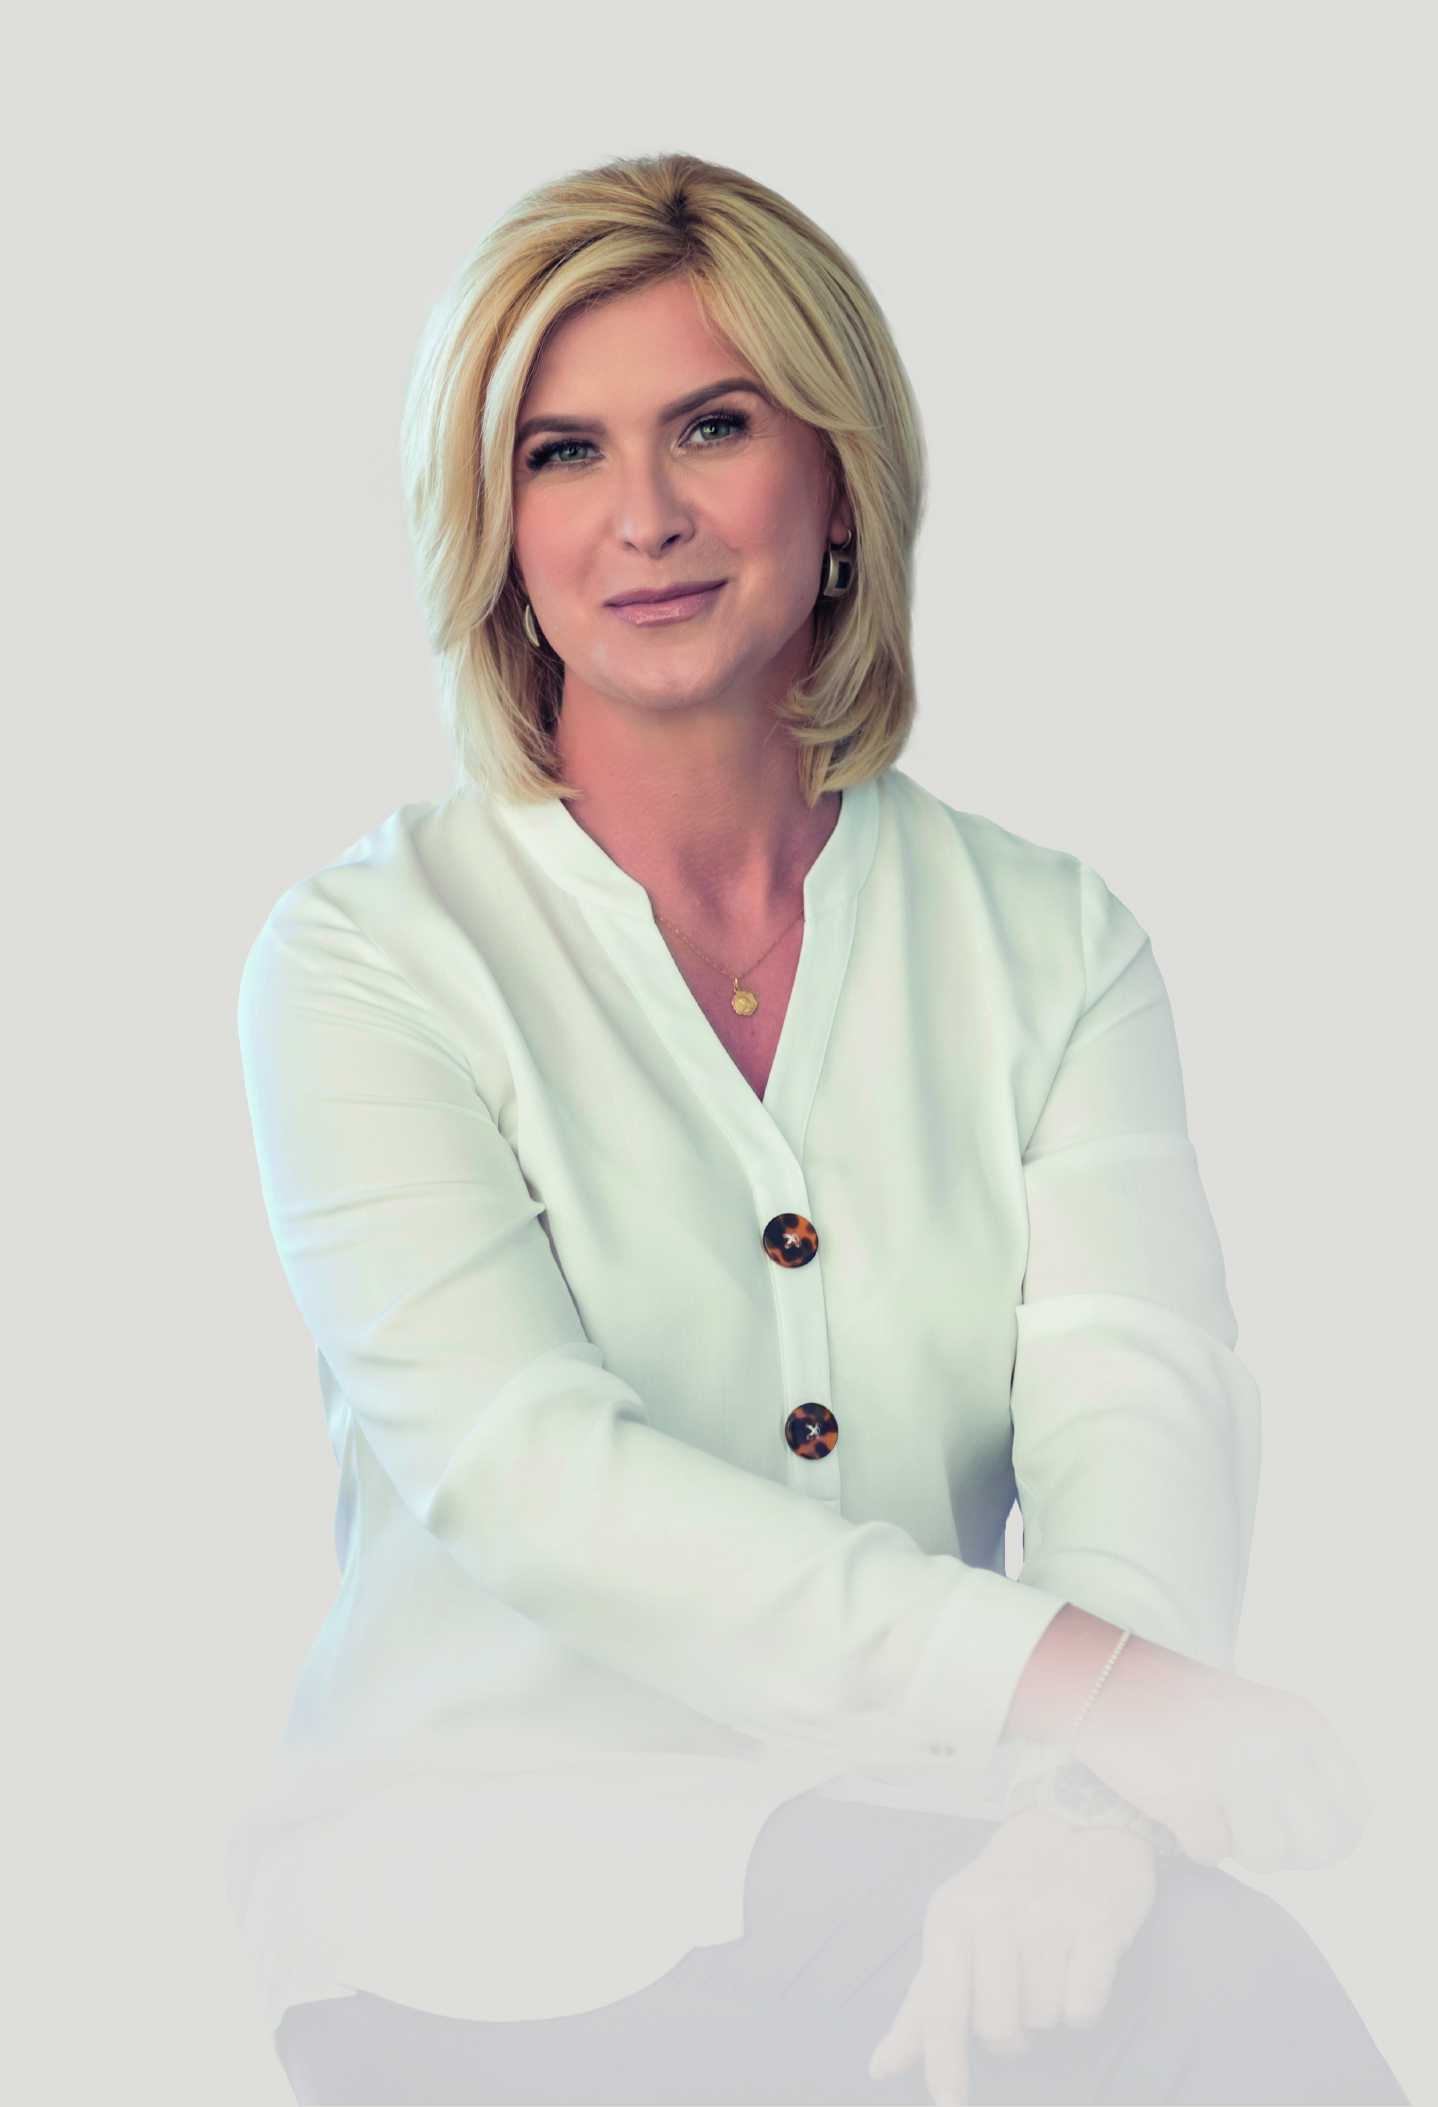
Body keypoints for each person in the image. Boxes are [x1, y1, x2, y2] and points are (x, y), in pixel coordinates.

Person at [226, 150, 1409, 2105]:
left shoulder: (1050, 943)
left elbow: (1133, 1412)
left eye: (713, 426)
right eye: (561, 453)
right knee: (1212, 2001)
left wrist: (1087, 1822)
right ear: (494, 526)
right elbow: (531, 1479)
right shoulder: (368, 957)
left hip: (933, 1843)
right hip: (484, 1895)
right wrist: (1091, 1698)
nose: (645, 515)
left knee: (1173, 1975)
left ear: (837, 476)